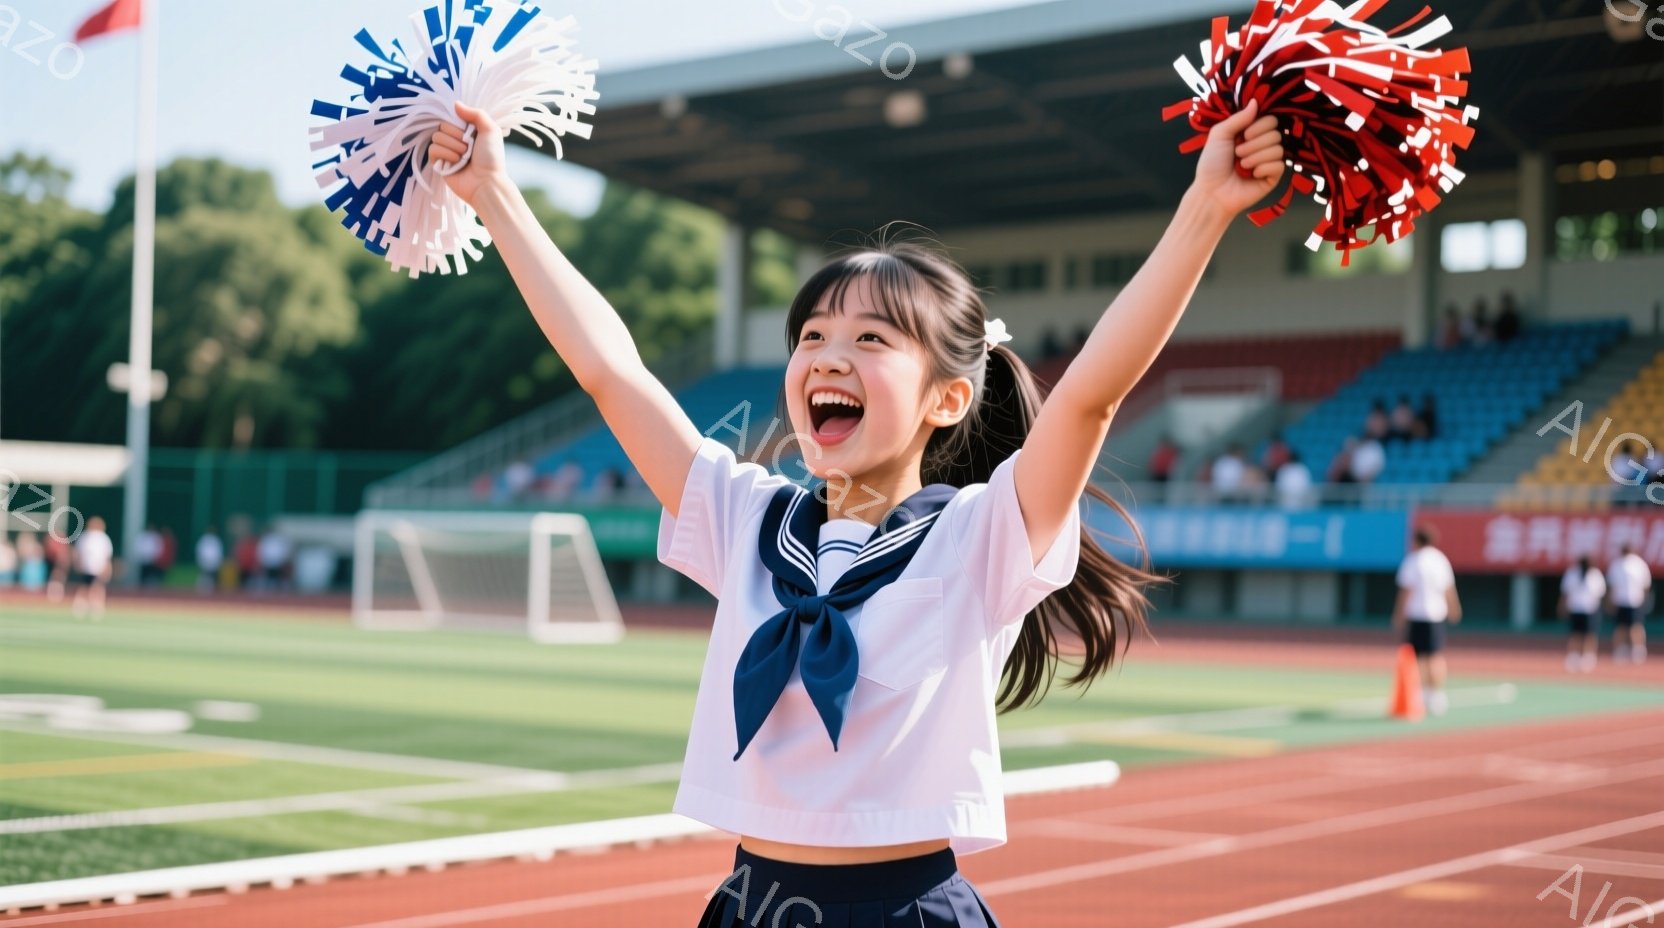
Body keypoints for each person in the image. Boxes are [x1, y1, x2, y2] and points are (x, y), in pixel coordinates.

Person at [429, 96, 1284, 926]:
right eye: (812, 336)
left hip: (908, 909)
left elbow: (1091, 398)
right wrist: (495, 194)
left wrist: (1205, 208)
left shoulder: (979, 536)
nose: (829, 357)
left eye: (872, 339)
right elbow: (611, 374)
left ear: (947, 399)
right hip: (753, 906)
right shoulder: (744, 519)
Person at [1392, 526, 1461, 716]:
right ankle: (1435, 694)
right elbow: (1449, 588)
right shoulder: (1440, 560)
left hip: (1417, 614)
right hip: (1436, 614)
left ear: (1416, 541)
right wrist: (1454, 608)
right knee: (1435, 655)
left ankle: (1424, 692)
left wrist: (1398, 614)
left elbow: (1406, 591)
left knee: (1419, 657)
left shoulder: (1413, 560)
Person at [1606, 542, 1652, 664]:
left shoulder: (1637, 564)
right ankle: (1626, 650)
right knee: (1626, 627)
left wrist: (1610, 601)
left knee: (1632, 627)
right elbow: (1646, 585)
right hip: (1626, 600)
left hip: (1631, 600)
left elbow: (1645, 584)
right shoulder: (1619, 564)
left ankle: (1635, 650)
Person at [1559, 555, 1605, 673]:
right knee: (1575, 634)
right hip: (1576, 609)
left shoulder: (1595, 575)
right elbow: (1566, 592)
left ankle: (1588, 657)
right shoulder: (1572, 573)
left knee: (1589, 635)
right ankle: (1573, 657)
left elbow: (1600, 593)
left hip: (1590, 609)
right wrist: (1563, 606)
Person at [69, 516, 115, 619]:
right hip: (86, 567)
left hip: (98, 568)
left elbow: (106, 556)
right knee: (84, 587)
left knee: (97, 588)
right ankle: (80, 606)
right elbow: (78, 552)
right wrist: (78, 563)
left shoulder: (103, 538)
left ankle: (96, 607)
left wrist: (107, 568)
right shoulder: (85, 537)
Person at [196, 526, 224, 593]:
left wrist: (217, 561)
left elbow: (218, 552)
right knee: (204, 575)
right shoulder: (204, 539)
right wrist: (202, 560)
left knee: (212, 577)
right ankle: (202, 589)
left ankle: (211, 590)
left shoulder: (216, 540)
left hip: (213, 562)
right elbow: (200, 550)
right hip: (205, 561)